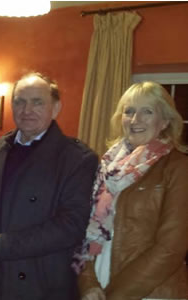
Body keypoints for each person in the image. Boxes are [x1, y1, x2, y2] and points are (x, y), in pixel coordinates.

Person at [0, 72, 98, 300]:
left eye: (37, 102)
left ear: (56, 108)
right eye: (19, 101)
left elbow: (72, 225)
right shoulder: (0, 147)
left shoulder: (77, 159)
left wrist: (7, 245)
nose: (27, 110)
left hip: (39, 282)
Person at [75, 81, 188, 300]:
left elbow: (170, 249)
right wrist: (88, 283)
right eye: (129, 111)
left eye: (147, 111)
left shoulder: (179, 168)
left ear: (164, 121)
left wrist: (116, 295)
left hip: (149, 291)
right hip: (98, 283)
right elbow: (82, 229)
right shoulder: (107, 166)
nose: (136, 120)